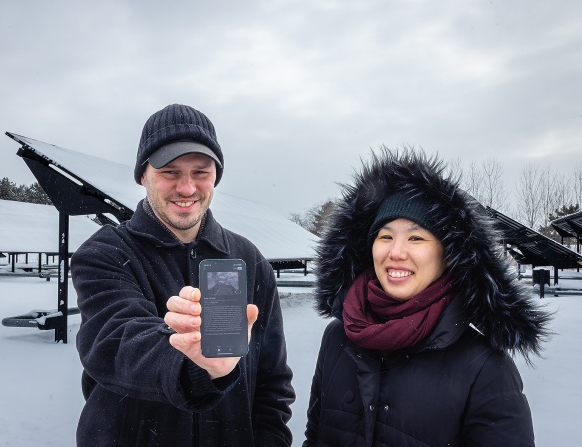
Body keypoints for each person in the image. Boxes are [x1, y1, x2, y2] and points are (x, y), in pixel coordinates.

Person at [71, 104, 295, 446]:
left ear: (216, 176)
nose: (187, 188)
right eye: (170, 172)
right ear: (143, 176)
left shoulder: (248, 259)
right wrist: (191, 363)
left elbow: (272, 379)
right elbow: (116, 340)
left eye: (200, 172)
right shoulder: (106, 252)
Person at [303, 147, 551, 446]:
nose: (396, 252)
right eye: (385, 236)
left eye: (416, 237)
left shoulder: (484, 366)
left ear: (448, 255)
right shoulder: (337, 337)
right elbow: (314, 436)